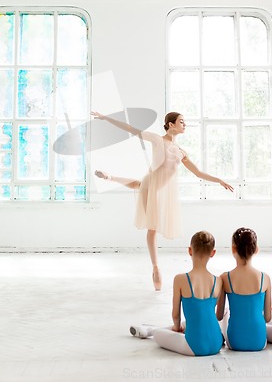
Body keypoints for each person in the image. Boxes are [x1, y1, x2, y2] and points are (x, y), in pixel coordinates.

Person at [91, 110, 233, 290]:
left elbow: (198, 172)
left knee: (139, 185)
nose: (184, 124)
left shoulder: (181, 152)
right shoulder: (158, 140)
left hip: (159, 190)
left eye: (185, 121)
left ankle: (110, 177)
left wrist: (219, 180)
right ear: (171, 124)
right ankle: (156, 268)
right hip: (151, 185)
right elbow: (131, 130)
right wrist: (105, 118)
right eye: (181, 121)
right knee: (151, 225)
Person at [130, 231, 224, 356]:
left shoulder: (180, 279)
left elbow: (176, 314)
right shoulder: (218, 281)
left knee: (158, 334)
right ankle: (151, 329)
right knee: (193, 320)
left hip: (194, 346)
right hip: (217, 342)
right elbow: (215, 315)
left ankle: (152, 330)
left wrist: (176, 327)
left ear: (190, 251)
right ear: (213, 253)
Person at [216, 227, 271, 351]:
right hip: (260, 342)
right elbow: (268, 318)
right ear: (256, 250)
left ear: (233, 249)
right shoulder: (265, 278)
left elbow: (219, 316)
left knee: (225, 313)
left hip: (235, 342)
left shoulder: (225, 278)